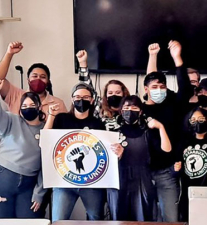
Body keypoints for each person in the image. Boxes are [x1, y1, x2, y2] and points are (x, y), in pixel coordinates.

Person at [143, 41, 193, 222]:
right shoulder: (138, 109)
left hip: (168, 172)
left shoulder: (173, 105)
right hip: (144, 173)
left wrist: (177, 59)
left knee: (171, 219)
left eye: (162, 87)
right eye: (154, 88)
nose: (159, 90)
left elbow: (185, 89)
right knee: (144, 218)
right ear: (146, 90)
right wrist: (153, 56)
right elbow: (151, 77)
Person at [46, 82, 110, 222]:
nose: (81, 100)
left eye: (86, 97)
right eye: (77, 96)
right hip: (63, 181)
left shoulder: (98, 123)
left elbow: (102, 153)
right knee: (59, 220)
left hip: (91, 182)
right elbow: (46, 141)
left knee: (96, 218)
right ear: (72, 99)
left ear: (92, 100)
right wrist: (50, 116)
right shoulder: (61, 119)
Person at [114, 95, 171, 221]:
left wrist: (160, 127)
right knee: (119, 216)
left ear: (140, 111)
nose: (130, 110)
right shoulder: (113, 131)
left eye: (134, 107)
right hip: (119, 179)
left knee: (144, 216)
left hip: (143, 179)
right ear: (121, 110)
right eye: (127, 107)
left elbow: (166, 150)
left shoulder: (147, 131)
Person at [0, 92, 46, 218]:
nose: (28, 108)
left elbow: (47, 165)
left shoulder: (46, 129)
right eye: (24, 106)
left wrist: (39, 192)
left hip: (29, 185)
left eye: (32, 105)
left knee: (30, 220)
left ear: (39, 107)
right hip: (3, 180)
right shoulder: (11, 120)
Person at [0, 41, 67, 116]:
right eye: (34, 76)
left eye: (43, 77)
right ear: (28, 80)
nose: (38, 79)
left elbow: (64, 125)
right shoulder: (16, 95)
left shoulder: (58, 103)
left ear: (48, 81)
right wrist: (9, 54)